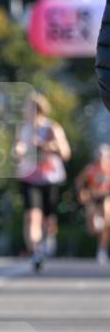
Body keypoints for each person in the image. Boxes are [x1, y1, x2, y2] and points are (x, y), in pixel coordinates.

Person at [13, 92, 70, 271]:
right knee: (31, 216)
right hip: (29, 177)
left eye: (30, 108)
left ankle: (47, 239)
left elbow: (65, 152)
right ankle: (35, 252)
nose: (26, 111)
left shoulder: (52, 127)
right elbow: (17, 147)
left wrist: (44, 145)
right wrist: (18, 151)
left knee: (48, 219)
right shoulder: (23, 128)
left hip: (49, 177)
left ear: (39, 110)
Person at [75, 144, 110, 264]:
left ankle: (102, 249)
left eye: (104, 155)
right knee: (93, 227)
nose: (101, 157)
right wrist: (81, 192)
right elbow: (79, 181)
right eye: (100, 155)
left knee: (106, 219)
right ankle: (97, 227)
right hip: (93, 197)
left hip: (105, 196)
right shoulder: (90, 169)